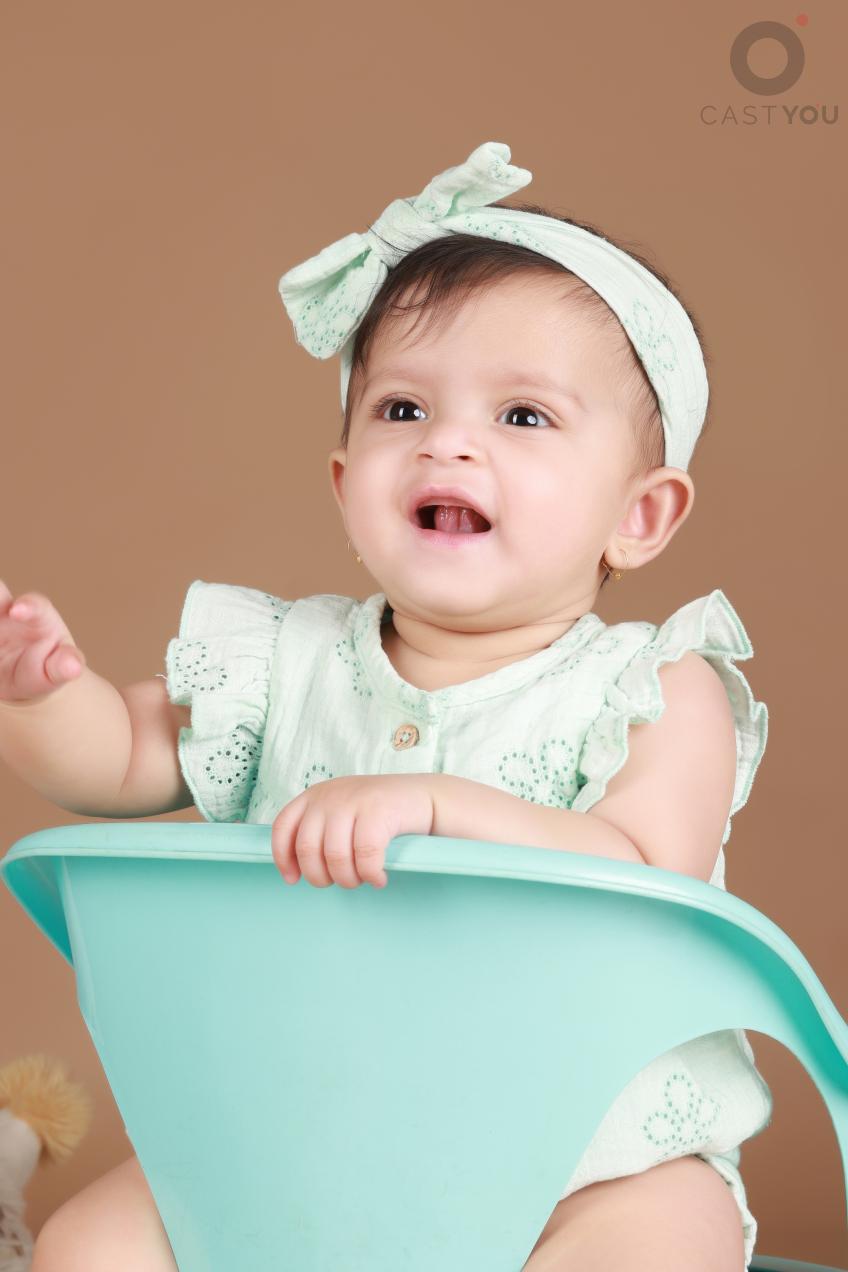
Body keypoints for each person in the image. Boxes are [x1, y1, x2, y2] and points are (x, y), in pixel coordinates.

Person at [2, 140, 771, 1271]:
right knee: (90, 1247)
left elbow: (646, 873)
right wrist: (40, 697)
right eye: (402, 408)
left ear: (639, 516)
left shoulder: (653, 688)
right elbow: (118, 762)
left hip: (584, 1158)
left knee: (661, 1242)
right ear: (344, 481)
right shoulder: (285, 663)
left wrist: (436, 806)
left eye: (523, 417)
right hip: (289, 1134)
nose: (446, 441)